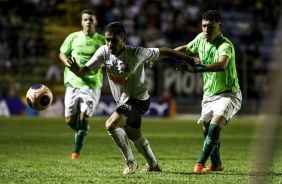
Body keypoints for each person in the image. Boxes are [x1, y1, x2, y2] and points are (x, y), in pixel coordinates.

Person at [65, 21, 195, 174]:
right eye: (107, 39)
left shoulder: (136, 53)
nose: (109, 43)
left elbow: (165, 51)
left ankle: (130, 163)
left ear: (124, 39)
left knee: (111, 124)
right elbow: (83, 72)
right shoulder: (103, 52)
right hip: (124, 101)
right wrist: (76, 70)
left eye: (114, 40)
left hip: (139, 100)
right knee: (135, 136)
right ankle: (153, 165)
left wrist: (189, 59)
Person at [174, 10, 242, 173]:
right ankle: (216, 164)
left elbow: (221, 65)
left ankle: (200, 164)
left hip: (228, 94)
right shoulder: (200, 39)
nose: (206, 30)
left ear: (220, 27)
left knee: (214, 127)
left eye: (210, 27)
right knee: (207, 131)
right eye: (204, 26)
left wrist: (195, 69)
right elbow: (186, 48)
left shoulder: (225, 45)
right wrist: (161, 55)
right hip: (209, 94)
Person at [59, 9, 106, 160]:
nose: (88, 22)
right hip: (73, 83)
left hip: (91, 85)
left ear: (95, 22)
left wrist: (101, 65)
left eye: (90, 20)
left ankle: (76, 152)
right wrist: (68, 64)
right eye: (85, 20)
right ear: (81, 22)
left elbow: (108, 59)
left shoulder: (102, 41)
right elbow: (62, 53)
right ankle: (83, 130)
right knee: (69, 121)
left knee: (84, 116)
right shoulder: (73, 37)